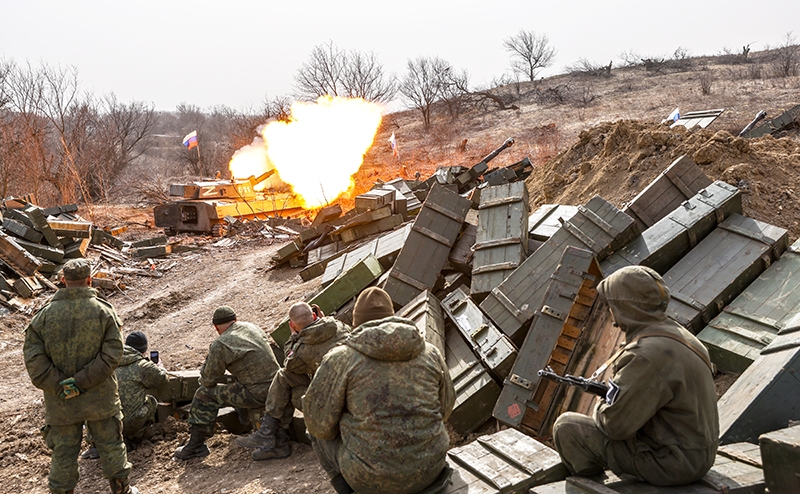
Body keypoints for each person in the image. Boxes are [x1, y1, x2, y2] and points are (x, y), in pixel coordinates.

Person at [552, 265, 719, 486]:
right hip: (697, 454)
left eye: (612, 305)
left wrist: (603, 403)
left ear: (624, 307)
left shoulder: (646, 354)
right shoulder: (682, 337)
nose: (609, 311)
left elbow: (614, 425)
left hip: (672, 464)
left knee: (567, 427)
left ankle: (591, 487)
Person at [303, 287, 455, 494]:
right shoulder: (430, 352)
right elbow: (446, 409)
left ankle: (345, 489)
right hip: (430, 470)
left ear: (356, 323)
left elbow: (319, 426)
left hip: (369, 481)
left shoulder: (341, 359)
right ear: (392, 317)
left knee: (313, 418)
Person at [23, 259, 138, 494]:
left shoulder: (43, 317)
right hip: (100, 399)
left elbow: (34, 362)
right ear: (90, 280)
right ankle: (121, 489)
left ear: (63, 281)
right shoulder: (104, 312)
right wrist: (82, 382)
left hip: (61, 402)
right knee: (111, 444)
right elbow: (112, 355)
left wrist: (62, 385)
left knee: (63, 451)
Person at [235, 302, 351, 460]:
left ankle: (272, 435)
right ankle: (272, 437)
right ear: (316, 315)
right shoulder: (340, 326)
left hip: (333, 403)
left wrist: (293, 338)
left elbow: (289, 364)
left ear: (292, 325)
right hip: (351, 387)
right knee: (286, 378)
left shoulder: (302, 350)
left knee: (286, 379)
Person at [174, 306, 280, 460]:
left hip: (257, 393)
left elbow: (208, 381)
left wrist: (208, 363)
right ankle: (243, 417)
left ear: (216, 328)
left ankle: (195, 445)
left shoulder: (221, 344)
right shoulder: (252, 328)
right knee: (237, 382)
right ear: (235, 320)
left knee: (204, 395)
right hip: (278, 386)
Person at [82, 331, 170, 459]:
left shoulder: (105, 362)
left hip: (102, 426)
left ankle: (96, 445)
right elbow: (163, 379)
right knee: (151, 401)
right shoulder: (142, 366)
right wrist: (159, 367)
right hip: (128, 424)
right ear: (144, 350)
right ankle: (134, 438)